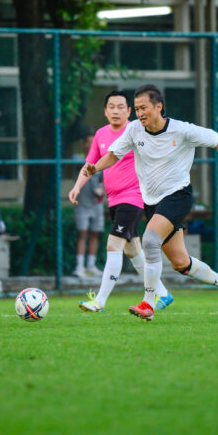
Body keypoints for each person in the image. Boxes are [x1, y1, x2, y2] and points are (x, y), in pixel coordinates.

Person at [83, 84, 218, 321]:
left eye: (144, 108)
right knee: (181, 263)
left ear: (159, 107)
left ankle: (148, 303)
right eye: (137, 109)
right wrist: (95, 168)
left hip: (178, 196)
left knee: (149, 241)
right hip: (152, 202)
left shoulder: (182, 130)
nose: (140, 113)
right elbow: (114, 155)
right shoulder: (134, 130)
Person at [69, 90, 172, 312]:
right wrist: (77, 187)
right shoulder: (100, 135)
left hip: (133, 198)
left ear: (129, 111)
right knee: (133, 251)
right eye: (111, 107)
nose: (116, 111)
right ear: (105, 111)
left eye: (121, 107)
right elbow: (90, 166)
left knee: (113, 244)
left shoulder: (138, 131)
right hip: (113, 200)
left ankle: (100, 301)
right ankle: (163, 293)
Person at [73, 130, 105, 278]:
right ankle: (79, 266)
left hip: (96, 204)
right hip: (82, 204)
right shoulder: (77, 159)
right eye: (89, 142)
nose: (92, 145)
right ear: (84, 144)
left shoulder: (103, 160)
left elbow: (104, 180)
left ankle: (91, 265)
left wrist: (102, 189)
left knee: (94, 234)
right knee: (82, 234)